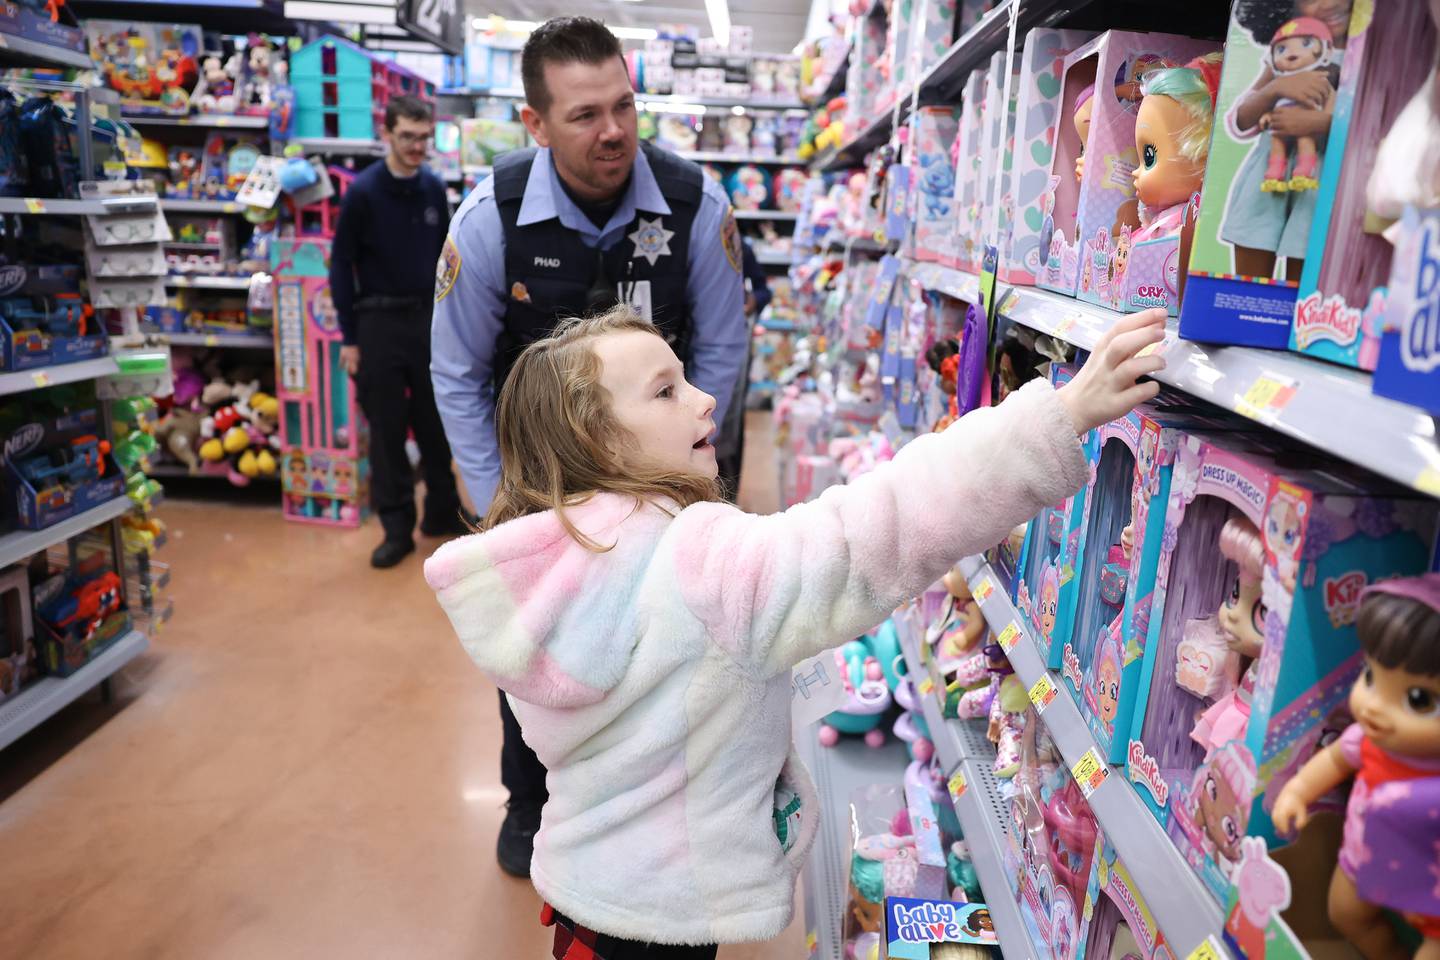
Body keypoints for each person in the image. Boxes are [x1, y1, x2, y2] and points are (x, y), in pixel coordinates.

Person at [424, 304, 1168, 957]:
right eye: (666, 391)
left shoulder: (558, 564)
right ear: (601, 441)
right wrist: (1058, 417)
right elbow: (872, 530)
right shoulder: (696, 559)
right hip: (664, 914)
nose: (707, 399)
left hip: (591, 888)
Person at [430, 16, 749, 878]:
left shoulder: (696, 207)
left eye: (624, 106)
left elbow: (723, 349)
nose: (612, 131)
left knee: (674, 643)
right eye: (583, 115)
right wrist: (500, 502)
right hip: (537, 489)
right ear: (535, 122)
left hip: (667, 482)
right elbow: (456, 369)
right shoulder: (491, 220)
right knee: (539, 651)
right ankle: (528, 802)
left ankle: (664, 811)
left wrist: (698, 473)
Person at [330, 95, 466, 568]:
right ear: (387, 133)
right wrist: (349, 337)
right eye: (407, 137)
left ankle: (442, 513)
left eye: (423, 137)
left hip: (427, 322)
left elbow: (449, 260)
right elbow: (340, 265)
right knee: (388, 429)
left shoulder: (432, 188)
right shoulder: (363, 192)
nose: (416, 146)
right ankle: (396, 528)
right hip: (377, 322)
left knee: (436, 420)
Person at [714, 238, 772, 495]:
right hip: (691, 342)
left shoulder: (736, 243)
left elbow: (762, 289)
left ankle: (727, 493)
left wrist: (753, 301)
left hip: (732, 340)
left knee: (730, 421)